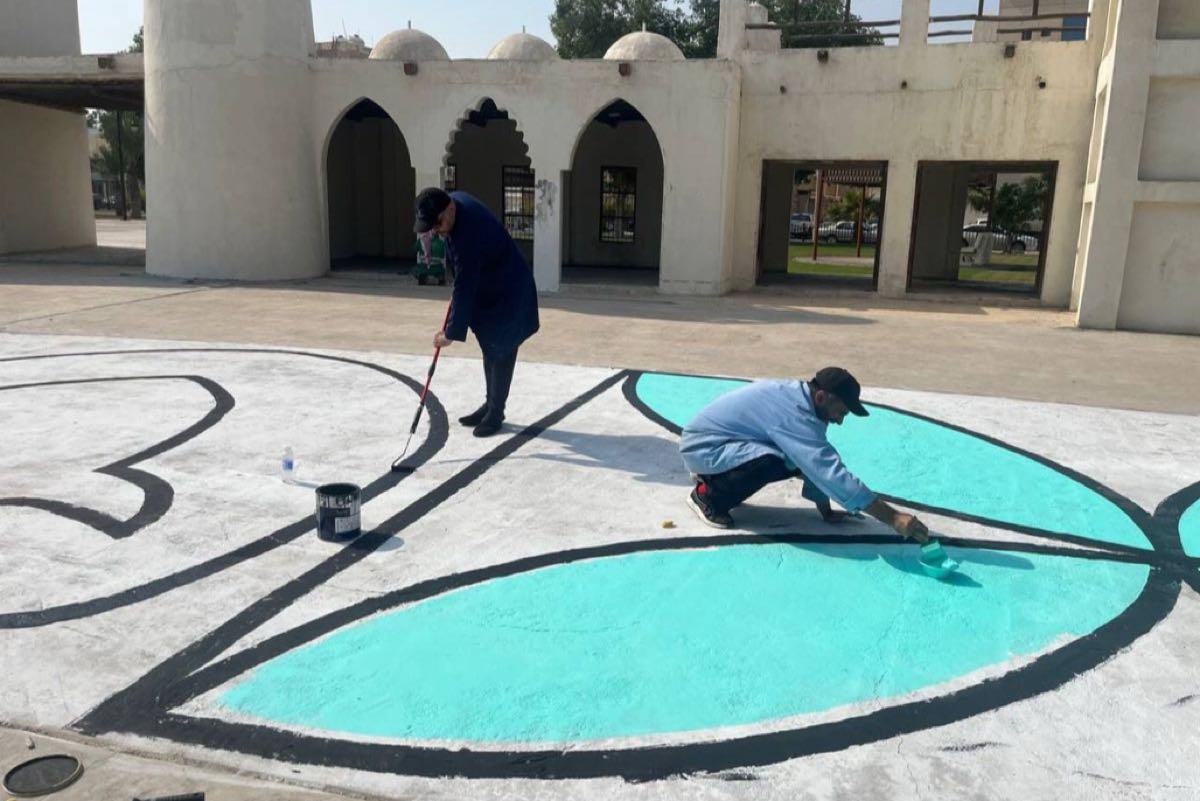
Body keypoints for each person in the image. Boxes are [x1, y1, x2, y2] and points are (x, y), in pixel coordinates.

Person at [679, 366, 929, 542]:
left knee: (790, 458)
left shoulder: (800, 400)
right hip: (705, 448)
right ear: (821, 397)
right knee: (774, 461)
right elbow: (825, 469)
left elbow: (813, 462)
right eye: (841, 412)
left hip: (725, 444)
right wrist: (893, 517)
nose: (840, 421)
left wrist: (825, 511)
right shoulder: (792, 415)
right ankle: (707, 496)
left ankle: (716, 478)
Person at [414, 187, 540, 437]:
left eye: (437, 224)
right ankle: (489, 404)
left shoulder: (468, 234)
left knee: (501, 348)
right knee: (489, 346)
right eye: (431, 227)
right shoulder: (453, 209)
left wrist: (449, 333)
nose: (436, 230)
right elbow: (463, 280)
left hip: (510, 291)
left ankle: (496, 412)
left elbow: (464, 285)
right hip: (491, 287)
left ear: (450, 208)